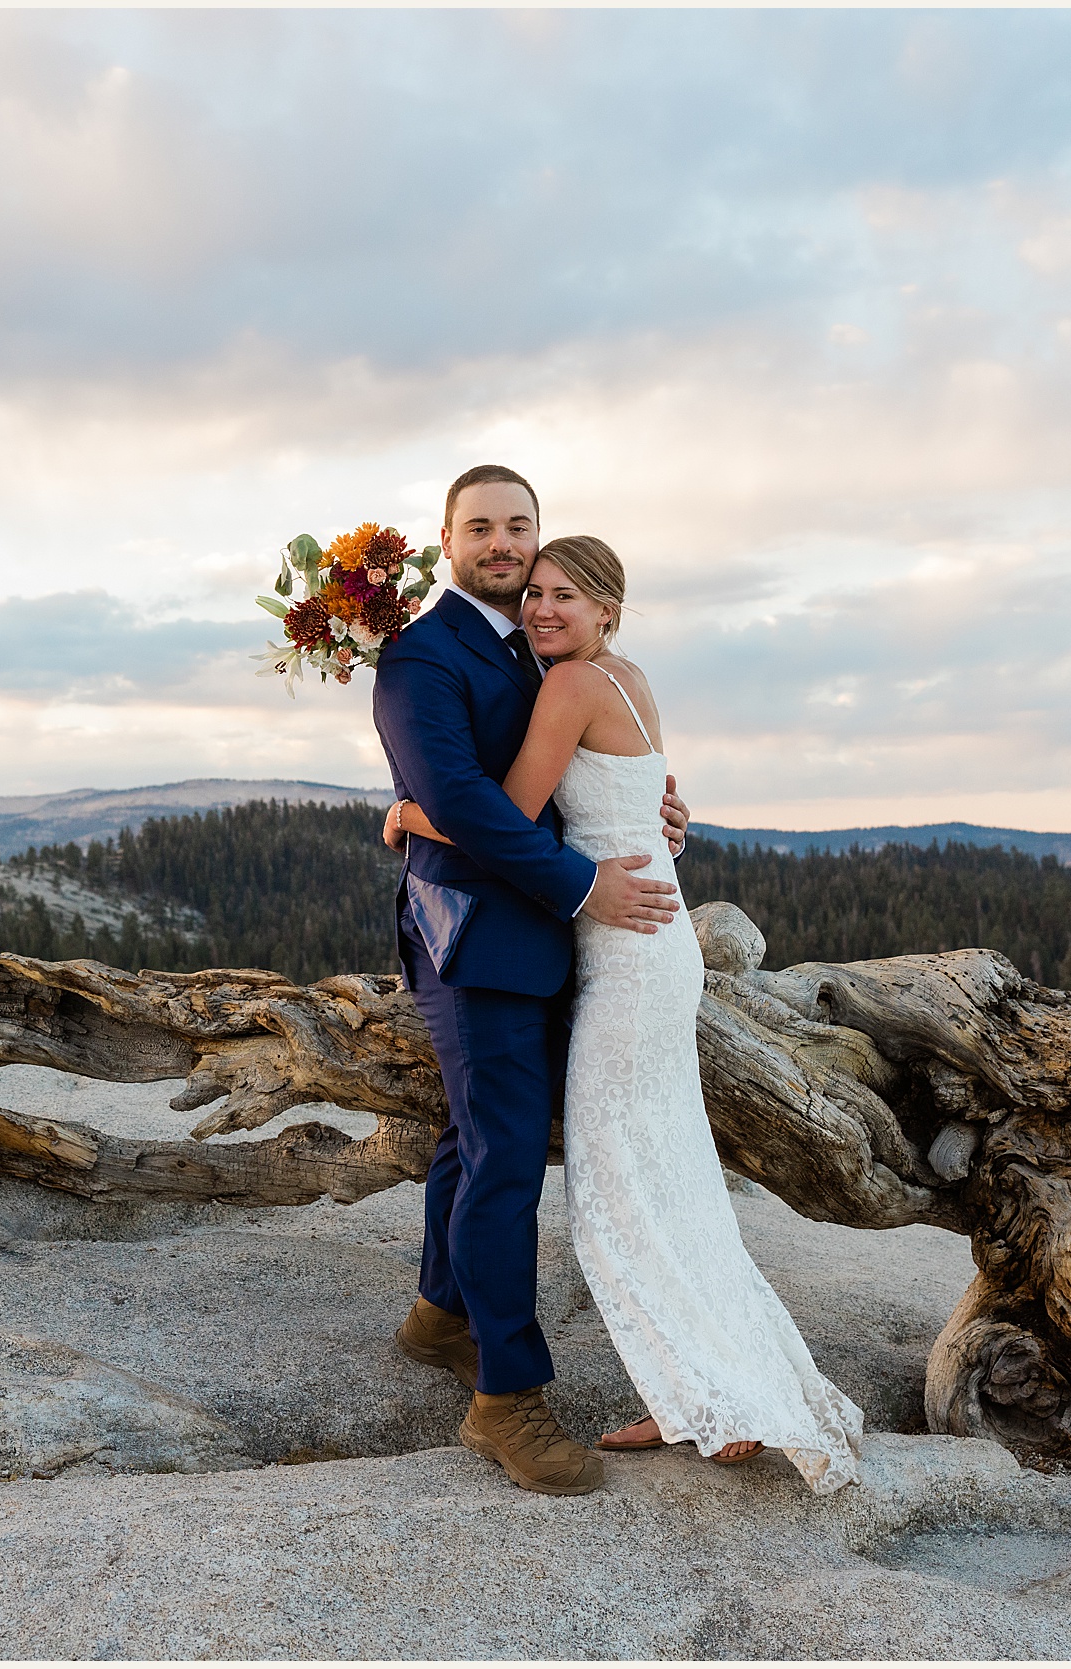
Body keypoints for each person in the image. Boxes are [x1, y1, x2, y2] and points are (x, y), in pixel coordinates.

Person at [383, 530, 865, 1497]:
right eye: (538, 593)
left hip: (623, 951)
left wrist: (403, 815)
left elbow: (506, 817)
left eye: (566, 593)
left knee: (616, 1191)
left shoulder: (566, 684)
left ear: (609, 609)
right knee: (657, 1170)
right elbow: (636, 799)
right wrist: (656, 828)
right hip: (645, 949)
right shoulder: (627, 678)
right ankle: (684, 1384)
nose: (543, 606)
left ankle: (702, 1393)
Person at [370, 465, 690, 1497]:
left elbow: (564, 776)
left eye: (519, 527)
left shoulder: (537, 645)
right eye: (482, 528)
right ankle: (506, 1400)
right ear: (446, 540)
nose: (502, 545)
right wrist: (583, 882)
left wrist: (650, 818)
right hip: (474, 939)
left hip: (542, 935)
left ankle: (439, 1316)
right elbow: (461, 794)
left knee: (476, 1137)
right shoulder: (421, 656)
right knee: (507, 1155)